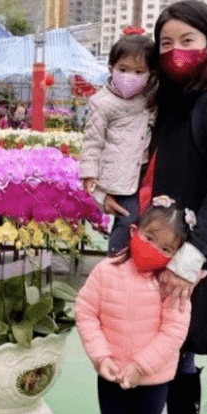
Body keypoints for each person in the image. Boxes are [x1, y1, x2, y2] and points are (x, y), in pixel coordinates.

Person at [70, 0, 207, 414]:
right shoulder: (172, 101)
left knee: (180, 353)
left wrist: (190, 260)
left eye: (188, 41)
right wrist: (107, 192)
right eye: (167, 43)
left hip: (186, 251)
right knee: (125, 334)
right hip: (144, 239)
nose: (176, 52)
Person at [75, 198, 194, 414]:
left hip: (152, 381)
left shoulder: (173, 286)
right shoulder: (106, 271)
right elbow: (86, 311)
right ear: (133, 231)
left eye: (166, 248)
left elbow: (174, 332)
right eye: (149, 237)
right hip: (111, 376)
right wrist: (101, 357)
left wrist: (141, 367)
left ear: (177, 254)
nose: (155, 249)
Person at [80, 28, 156, 254]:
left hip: (145, 173)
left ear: (150, 74)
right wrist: (90, 176)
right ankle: (114, 260)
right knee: (128, 219)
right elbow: (92, 142)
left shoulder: (149, 99)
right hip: (119, 178)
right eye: (123, 69)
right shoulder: (103, 102)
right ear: (111, 68)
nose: (130, 76)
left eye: (139, 71)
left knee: (146, 222)